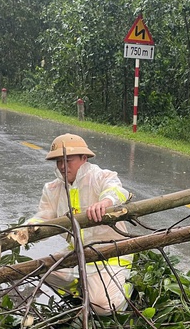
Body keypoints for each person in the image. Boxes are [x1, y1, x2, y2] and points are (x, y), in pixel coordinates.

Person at [25, 133, 132, 315]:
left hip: (109, 255)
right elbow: (44, 217)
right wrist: (27, 228)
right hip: (77, 253)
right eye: (58, 161)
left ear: (84, 158)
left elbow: (118, 191)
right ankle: (80, 291)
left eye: (68, 160)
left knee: (103, 307)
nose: (62, 166)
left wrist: (106, 202)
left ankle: (125, 292)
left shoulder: (99, 177)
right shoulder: (53, 189)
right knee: (42, 269)